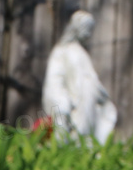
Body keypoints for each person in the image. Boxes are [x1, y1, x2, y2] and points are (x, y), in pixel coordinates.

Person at [42, 10, 118, 144]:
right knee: (71, 141)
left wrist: (101, 95)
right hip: (73, 106)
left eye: (90, 29)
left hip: (88, 106)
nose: (88, 33)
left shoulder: (81, 53)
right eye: (85, 28)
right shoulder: (61, 51)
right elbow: (54, 79)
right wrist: (61, 100)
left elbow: (91, 79)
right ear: (76, 27)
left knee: (88, 141)